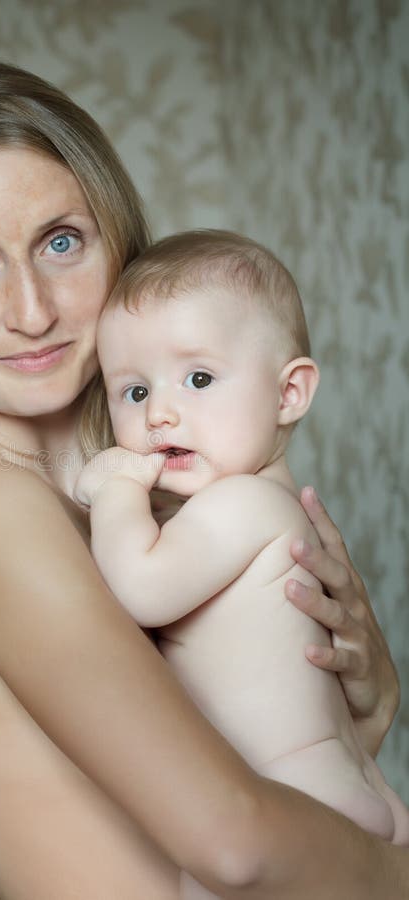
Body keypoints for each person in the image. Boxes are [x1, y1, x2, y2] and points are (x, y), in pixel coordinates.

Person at [0, 57, 407, 900]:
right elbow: (236, 843)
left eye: (61, 242)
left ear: (116, 241)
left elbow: (268, 805)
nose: (33, 310)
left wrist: (363, 702)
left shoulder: (132, 504)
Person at [75, 230, 409, 896]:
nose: (161, 411)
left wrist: (112, 489)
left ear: (289, 394)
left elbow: (140, 588)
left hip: (293, 800)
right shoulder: (269, 507)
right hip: (345, 787)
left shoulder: (241, 506)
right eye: (133, 392)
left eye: (199, 378)